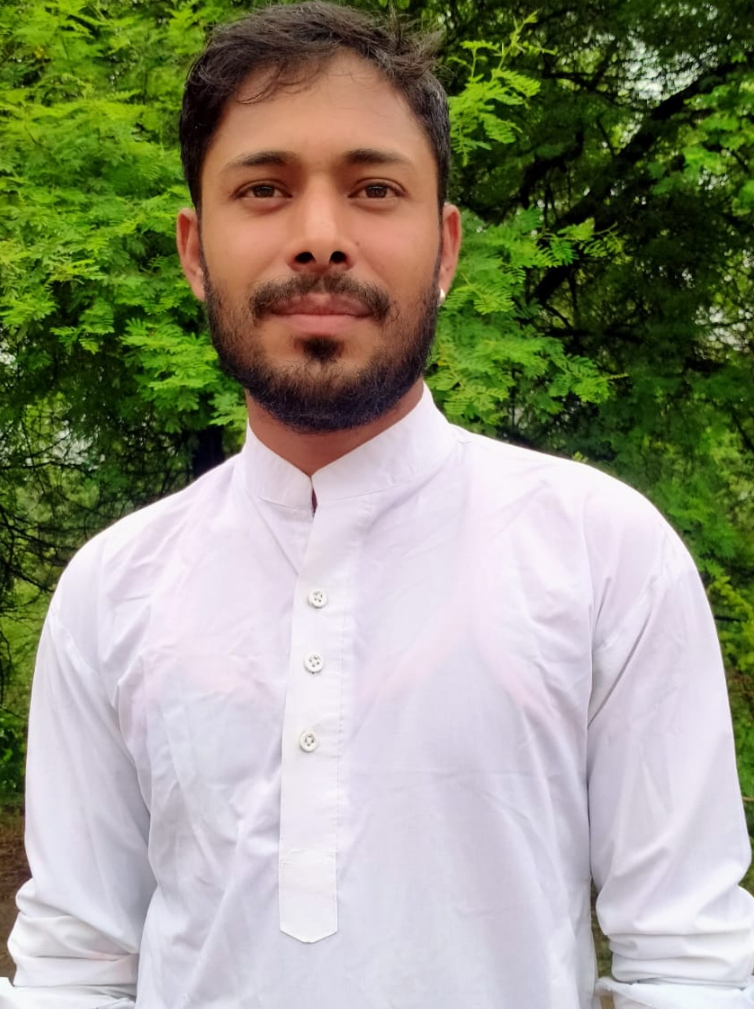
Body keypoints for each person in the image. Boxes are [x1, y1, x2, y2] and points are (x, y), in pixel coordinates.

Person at [2, 3, 753, 1007]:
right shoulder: (110, 590)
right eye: (263, 189)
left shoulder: (605, 554)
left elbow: (692, 968)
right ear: (194, 250)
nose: (320, 238)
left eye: (374, 189)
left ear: (445, 248)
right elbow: (74, 970)